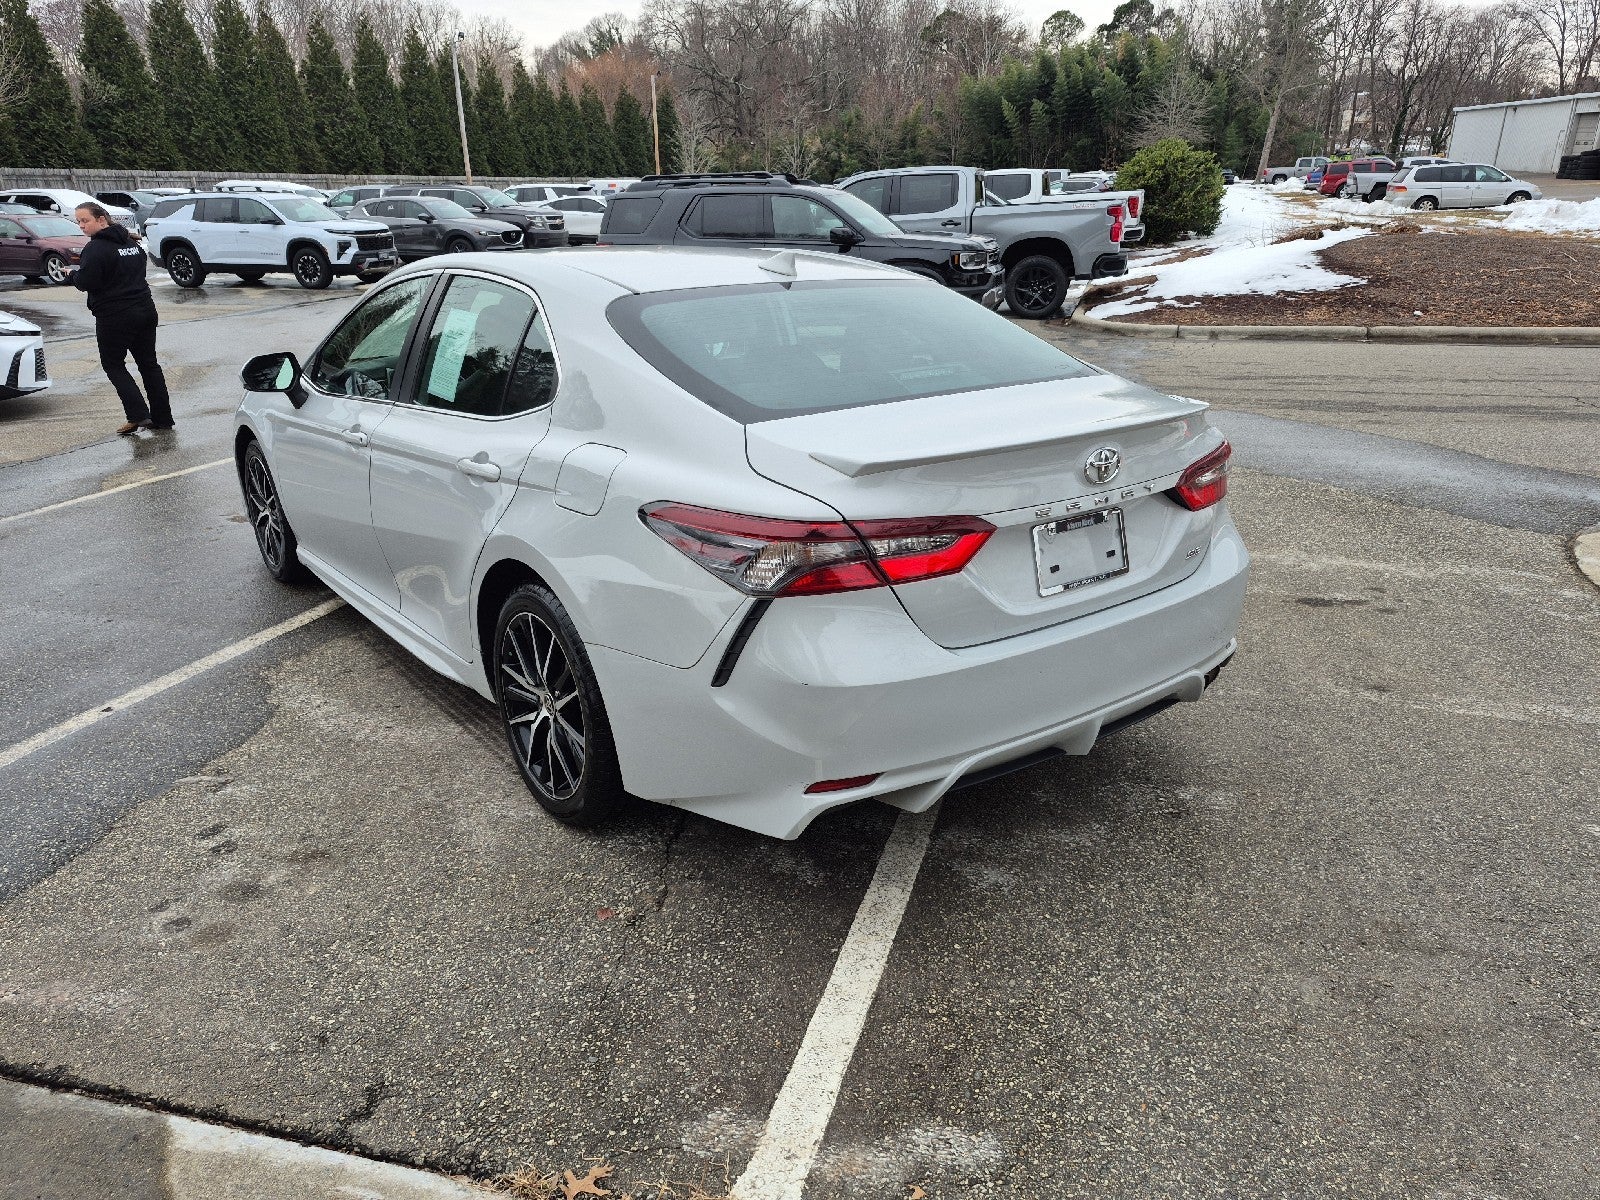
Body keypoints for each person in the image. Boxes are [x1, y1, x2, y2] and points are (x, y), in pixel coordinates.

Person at [69, 202, 174, 436]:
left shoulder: (96, 248)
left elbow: (87, 282)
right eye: (78, 221)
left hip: (115, 316)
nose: (82, 226)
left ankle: (138, 414)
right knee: (149, 364)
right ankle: (163, 418)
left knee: (113, 364)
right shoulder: (131, 243)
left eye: (85, 220)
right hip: (145, 310)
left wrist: (73, 275)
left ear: (102, 220)